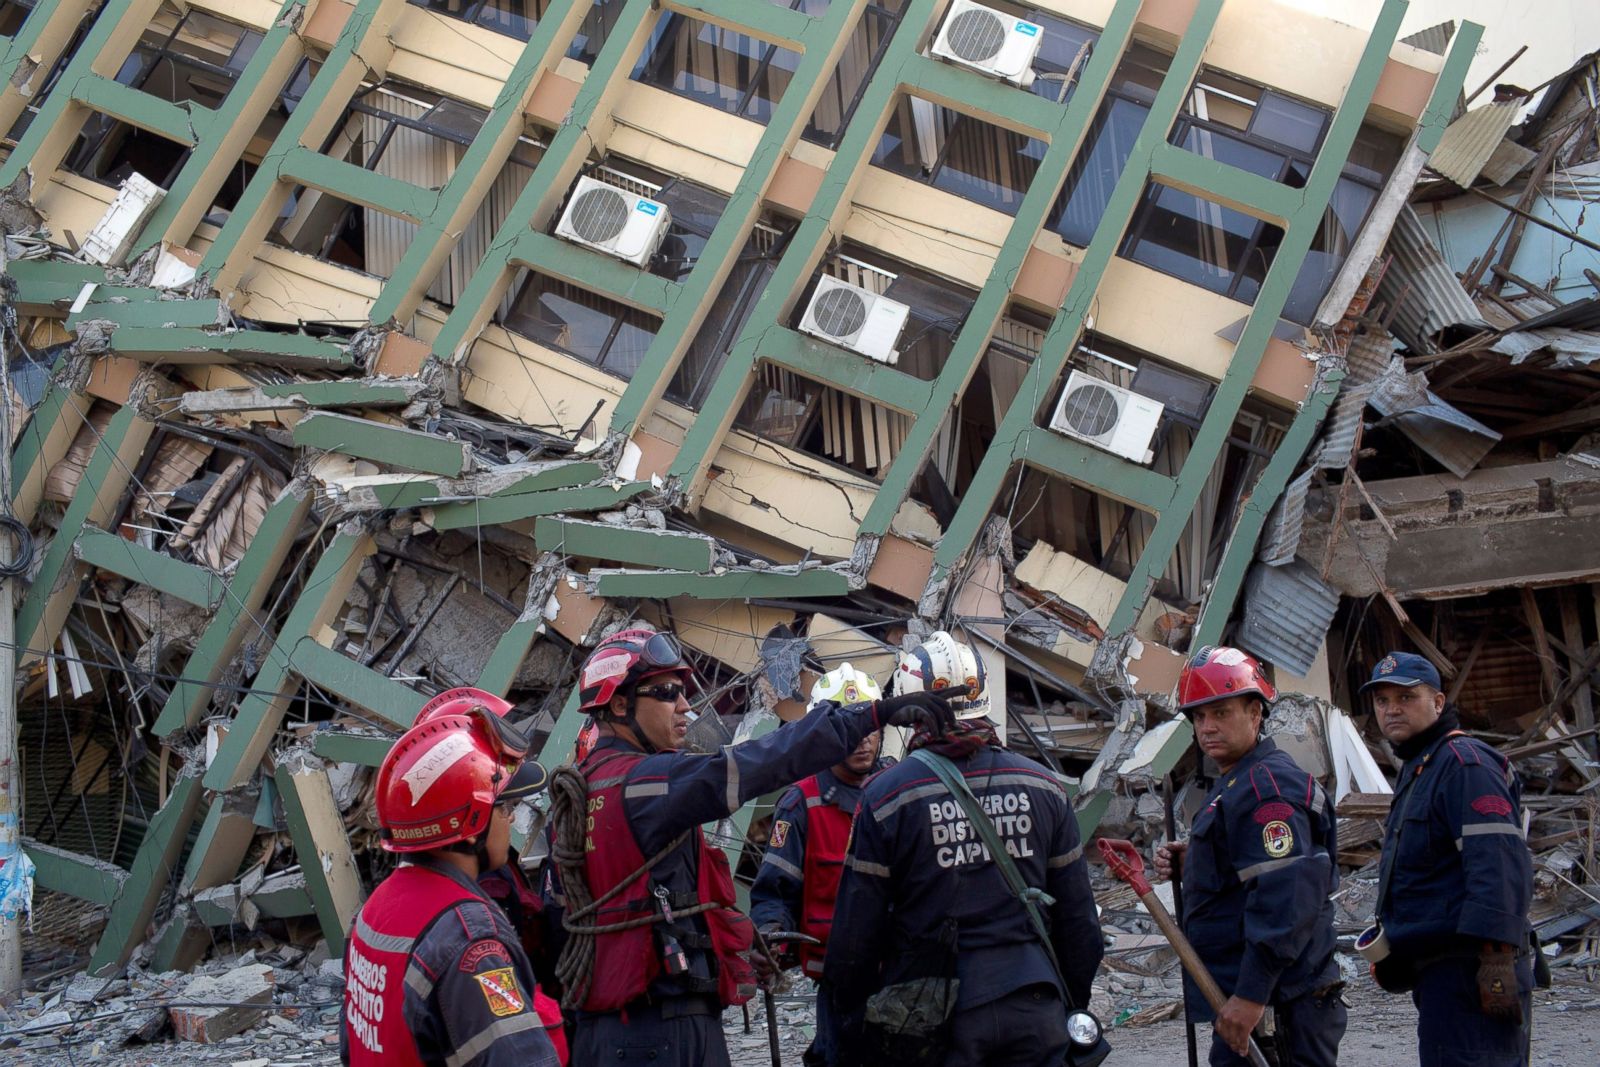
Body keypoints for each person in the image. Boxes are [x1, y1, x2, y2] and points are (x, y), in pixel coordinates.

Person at [548, 626, 958, 1067]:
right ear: (620, 705)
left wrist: (738, 946)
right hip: (662, 1028)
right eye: (668, 692)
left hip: (603, 1030)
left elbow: (559, 921)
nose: (686, 706)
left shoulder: (580, 793)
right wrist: (870, 715)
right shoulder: (648, 784)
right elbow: (758, 762)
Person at [826, 631, 1103, 1067]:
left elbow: (857, 934)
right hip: (1036, 1006)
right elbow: (1079, 921)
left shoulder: (886, 797)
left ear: (910, 705)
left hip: (933, 1016)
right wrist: (1069, 1000)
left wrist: (853, 1018)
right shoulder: (1044, 787)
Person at [342, 687, 562, 1067]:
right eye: (504, 808)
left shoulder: (375, 909)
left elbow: (352, 1048)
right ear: (470, 825)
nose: (510, 820)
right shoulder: (471, 939)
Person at [1153, 646, 1344, 1067]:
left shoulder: (1266, 790)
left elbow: (1286, 900)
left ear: (1256, 713)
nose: (1207, 728)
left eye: (1221, 713)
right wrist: (1199, 863)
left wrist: (1252, 994)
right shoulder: (1239, 783)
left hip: (1280, 1007)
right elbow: (1249, 872)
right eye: (1199, 717)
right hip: (1257, 1001)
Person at [1362, 651, 1535, 1067]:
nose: (1392, 710)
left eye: (1406, 698)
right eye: (1382, 701)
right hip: (1440, 975)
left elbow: (1498, 865)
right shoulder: (1421, 766)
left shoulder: (1464, 764)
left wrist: (1495, 960)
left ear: (1438, 703)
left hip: (1472, 974)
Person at [751, 663, 888, 1067]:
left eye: (871, 727)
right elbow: (773, 890)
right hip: (838, 976)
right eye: (849, 729)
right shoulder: (801, 804)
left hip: (901, 970)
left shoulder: (902, 789)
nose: (863, 741)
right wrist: (771, 933)